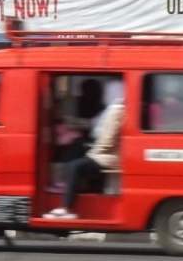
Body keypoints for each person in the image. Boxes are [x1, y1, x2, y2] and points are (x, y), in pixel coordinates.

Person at [44, 81, 124, 219]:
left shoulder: (116, 111)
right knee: (75, 153)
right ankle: (66, 189)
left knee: (74, 166)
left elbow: (108, 139)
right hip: (106, 153)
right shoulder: (113, 109)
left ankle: (67, 207)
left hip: (107, 156)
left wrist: (92, 151)